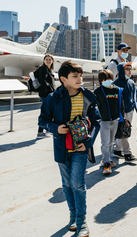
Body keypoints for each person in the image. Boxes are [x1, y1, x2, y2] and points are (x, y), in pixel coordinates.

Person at [38, 61, 101, 237]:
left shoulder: (88, 97)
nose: (80, 79)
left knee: (77, 184)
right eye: (75, 76)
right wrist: (55, 128)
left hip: (81, 147)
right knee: (66, 184)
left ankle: (81, 222)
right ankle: (73, 216)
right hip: (61, 148)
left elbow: (96, 122)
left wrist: (89, 142)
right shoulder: (53, 98)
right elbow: (42, 120)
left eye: (80, 75)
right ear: (64, 79)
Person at [94, 70, 123, 176]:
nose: (107, 81)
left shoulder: (117, 90)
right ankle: (106, 163)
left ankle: (107, 159)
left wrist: (122, 119)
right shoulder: (98, 92)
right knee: (105, 143)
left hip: (115, 120)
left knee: (111, 142)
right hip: (104, 122)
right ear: (100, 81)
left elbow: (121, 105)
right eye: (104, 79)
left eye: (108, 79)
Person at [113, 62, 137, 163]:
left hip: (130, 110)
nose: (129, 70)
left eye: (130, 68)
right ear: (121, 71)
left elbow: (134, 97)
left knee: (122, 131)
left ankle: (117, 150)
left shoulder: (131, 82)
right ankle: (127, 153)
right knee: (124, 131)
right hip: (121, 112)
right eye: (127, 69)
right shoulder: (116, 84)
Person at [37, 54, 56, 138]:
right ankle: (40, 132)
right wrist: (51, 91)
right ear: (44, 61)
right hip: (45, 94)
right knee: (45, 113)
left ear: (52, 61)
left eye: (50, 59)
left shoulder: (48, 70)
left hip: (47, 94)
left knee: (47, 112)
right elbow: (43, 82)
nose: (48, 61)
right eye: (46, 59)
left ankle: (46, 130)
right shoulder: (43, 69)